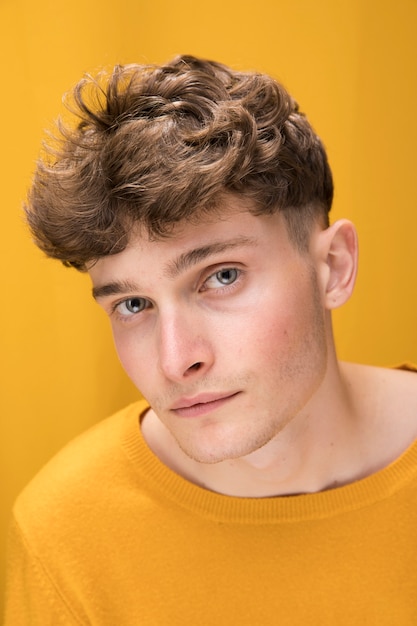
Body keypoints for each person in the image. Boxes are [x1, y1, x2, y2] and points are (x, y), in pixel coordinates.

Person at [5, 54, 417, 625]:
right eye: (133, 304)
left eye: (222, 276)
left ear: (333, 266)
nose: (176, 361)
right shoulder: (65, 532)